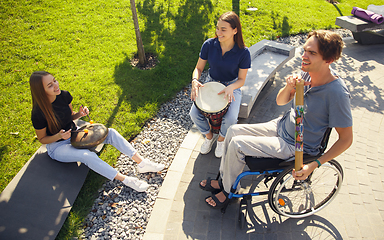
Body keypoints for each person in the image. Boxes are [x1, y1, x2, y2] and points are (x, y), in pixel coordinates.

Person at [199, 30, 353, 208]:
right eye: (305, 50)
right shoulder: (307, 73)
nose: (304, 56)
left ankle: (228, 192)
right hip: (282, 125)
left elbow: (346, 139)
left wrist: (314, 165)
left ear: (329, 60)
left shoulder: (337, 94)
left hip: (296, 145)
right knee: (232, 130)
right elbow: (280, 101)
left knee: (237, 144)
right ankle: (225, 180)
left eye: (312, 53)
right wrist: (289, 87)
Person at [29, 71, 165, 192]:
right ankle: (126, 180)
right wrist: (59, 136)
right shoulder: (38, 113)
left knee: (110, 132)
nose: (56, 85)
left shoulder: (63, 95)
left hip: (75, 135)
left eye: (54, 80)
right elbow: (42, 139)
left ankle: (142, 163)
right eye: (50, 85)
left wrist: (79, 115)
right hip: (57, 146)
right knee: (86, 155)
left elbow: (69, 116)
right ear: (41, 91)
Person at [189, 11, 251, 158]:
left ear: (235, 30)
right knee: (194, 113)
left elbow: (241, 80)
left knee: (231, 118)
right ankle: (209, 138)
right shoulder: (209, 45)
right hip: (211, 83)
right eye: (218, 28)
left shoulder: (243, 52)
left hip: (232, 86)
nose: (219, 32)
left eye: (223, 29)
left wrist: (231, 87)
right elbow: (198, 68)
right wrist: (195, 80)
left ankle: (221, 140)